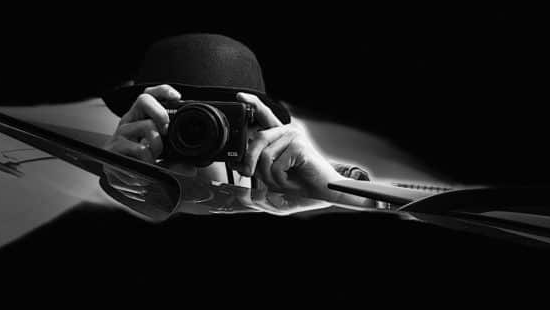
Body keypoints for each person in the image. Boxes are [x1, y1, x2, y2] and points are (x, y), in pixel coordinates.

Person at [102, 34, 371, 206]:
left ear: (260, 130)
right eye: (180, 115)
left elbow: (388, 207)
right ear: (141, 118)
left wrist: (333, 193)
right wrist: (117, 174)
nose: (198, 134)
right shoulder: (119, 165)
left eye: (227, 118)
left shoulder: (294, 176)